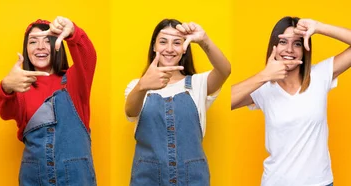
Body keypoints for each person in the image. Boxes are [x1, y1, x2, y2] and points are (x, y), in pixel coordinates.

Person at [231, 16, 351, 186]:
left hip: (320, 183)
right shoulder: (263, 87)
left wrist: (319, 27)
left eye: (297, 44)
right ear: (274, 46)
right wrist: (264, 76)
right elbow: (225, 100)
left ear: (305, 49)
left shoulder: (319, 76)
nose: (289, 49)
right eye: (283, 42)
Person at [124, 19, 230, 185]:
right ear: (154, 46)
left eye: (177, 43)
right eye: (163, 42)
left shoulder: (198, 84)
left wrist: (204, 40)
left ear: (184, 48)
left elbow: (225, 70)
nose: (169, 49)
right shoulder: (137, 86)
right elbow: (130, 111)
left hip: (193, 179)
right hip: (147, 179)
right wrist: (143, 85)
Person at [0, 16, 97, 185]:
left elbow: (88, 56)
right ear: (26, 49)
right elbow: (5, 113)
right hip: (34, 179)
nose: (40, 47)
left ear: (58, 45)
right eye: (33, 41)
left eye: (47, 40)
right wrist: (6, 86)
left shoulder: (75, 80)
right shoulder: (21, 87)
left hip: (77, 178)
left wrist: (73, 31)